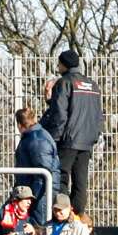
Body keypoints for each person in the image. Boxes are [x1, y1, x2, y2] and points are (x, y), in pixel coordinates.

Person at [42, 51, 103, 213]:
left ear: (64, 65)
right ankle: (78, 216)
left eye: (59, 64)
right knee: (80, 182)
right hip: (87, 140)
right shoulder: (92, 85)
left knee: (60, 177)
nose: (58, 67)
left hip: (68, 140)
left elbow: (60, 114)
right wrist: (95, 136)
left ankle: (62, 215)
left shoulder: (64, 83)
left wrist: (53, 139)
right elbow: (98, 114)